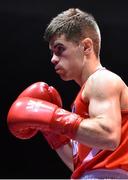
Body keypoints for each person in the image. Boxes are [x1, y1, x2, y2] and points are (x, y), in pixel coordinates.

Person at [7, 8, 128, 179]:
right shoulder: (84, 98)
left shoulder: (102, 80)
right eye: (52, 52)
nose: (53, 59)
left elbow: (109, 136)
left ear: (86, 46)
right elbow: (80, 166)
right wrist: (53, 132)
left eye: (60, 49)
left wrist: (53, 118)